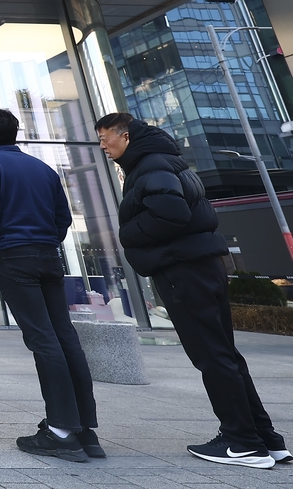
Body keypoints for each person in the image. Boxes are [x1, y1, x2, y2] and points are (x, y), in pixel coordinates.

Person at [96, 112, 290, 469]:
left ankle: (242, 442)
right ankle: (265, 439)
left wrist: (127, 236)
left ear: (125, 136)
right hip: (201, 266)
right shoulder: (164, 160)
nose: (103, 146)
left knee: (212, 356)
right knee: (223, 353)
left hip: (183, 270)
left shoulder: (150, 165)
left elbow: (170, 213)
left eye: (105, 137)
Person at [0, 108, 101, 464]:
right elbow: (63, 218)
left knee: (43, 339)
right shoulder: (43, 169)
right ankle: (84, 430)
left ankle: (59, 430)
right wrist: (46, 241)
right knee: (64, 335)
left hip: (12, 257)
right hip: (48, 255)